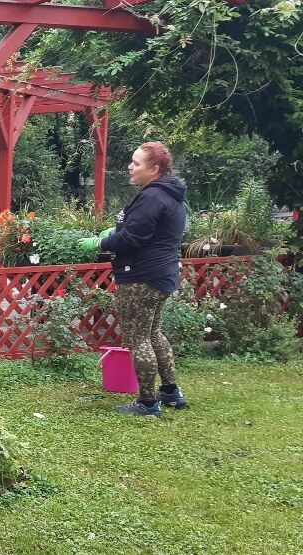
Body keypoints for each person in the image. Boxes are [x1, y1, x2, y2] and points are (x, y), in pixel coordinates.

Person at [78, 141, 189, 417]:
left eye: (136, 163)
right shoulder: (171, 195)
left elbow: (131, 239)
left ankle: (148, 403)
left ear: (154, 168)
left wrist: (100, 242)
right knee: (153, 334)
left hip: (141, 276)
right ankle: (171, 392)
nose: (130, 166)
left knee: (138, 338)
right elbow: (144, 231)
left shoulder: (152, 197)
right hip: (162, 273)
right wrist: (116, 230)